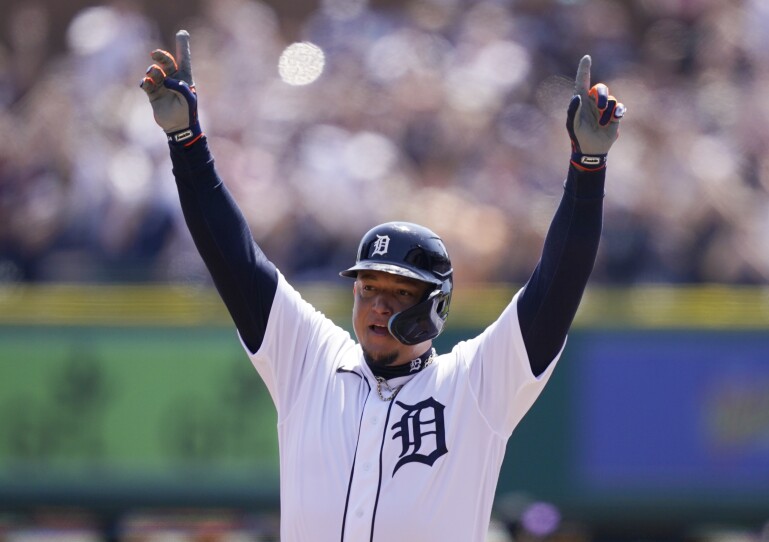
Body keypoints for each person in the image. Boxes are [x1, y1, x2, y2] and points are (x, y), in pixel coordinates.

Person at [140, 29, 625, 542]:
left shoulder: (474, 385)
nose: (377, 303)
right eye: (368, 287)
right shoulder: (310, 361)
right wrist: (186, 143)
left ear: (435, 306)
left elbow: (556, 286)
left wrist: (587, 170)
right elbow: (235, 261)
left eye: (399, 292)